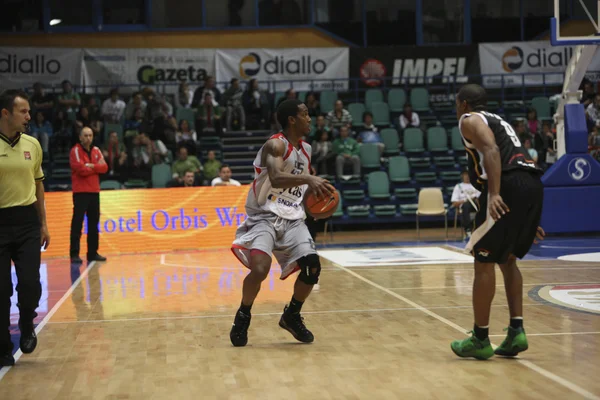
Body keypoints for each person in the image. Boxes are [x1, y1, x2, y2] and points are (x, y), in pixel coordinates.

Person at [450, 84, 545, 360]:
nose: (457, 107)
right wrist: (522, 215)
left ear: (465, 104)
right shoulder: (497, 119)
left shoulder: (469, 120)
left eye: (457, 102)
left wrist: (493, 194)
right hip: (532, 184)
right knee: (509, 259)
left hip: (507, 184)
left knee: (484, 262)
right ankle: (517, 331)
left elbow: (491, 151)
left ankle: (480, 338)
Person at [229, 99, 334, 347]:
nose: (310, 118)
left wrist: (317, 201)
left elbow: (301, 188)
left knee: (312, 267)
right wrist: (310, 178)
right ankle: (243, 314)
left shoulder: (306, 150)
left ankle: (292, 315)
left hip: (292, 218)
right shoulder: (275, 145)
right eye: (306, 114)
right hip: (263, 216)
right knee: (260, 269)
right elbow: (276, 178)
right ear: (292, 119)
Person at [0, 90, 50, 366]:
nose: (29, 116)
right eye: (24, 111)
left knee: (30, 283)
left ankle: (28, 321)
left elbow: (39, 185)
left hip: (28, 222)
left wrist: (43, 223)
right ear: (6, 113)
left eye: (29, 111)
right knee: (0, 290)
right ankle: (3, 345)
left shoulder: (33, 144)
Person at [69, 127, 108, 264]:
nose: (88, 138)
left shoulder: (96, 150)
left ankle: (92, 253)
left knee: (93, 223)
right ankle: (74, 254)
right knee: (77, 223)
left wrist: (91, 166)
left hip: (94, 191)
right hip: (80, 192)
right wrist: (95, 167)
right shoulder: (75, 150)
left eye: (90, 135)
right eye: (85, 135)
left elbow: (104, 167)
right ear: (80, 137)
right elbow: (80, 170)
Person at [451, 171, 481, 238]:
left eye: (468, 174)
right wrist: (465, 200)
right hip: (464, 206)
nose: (467, 176)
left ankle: (481, 230)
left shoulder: (476, 185)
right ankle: (468, 230)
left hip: (475, 204)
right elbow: (454, 203)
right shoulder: (458, 186)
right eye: (465, 175)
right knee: (466, 205)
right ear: (462, 176)